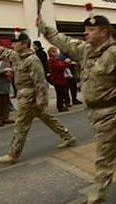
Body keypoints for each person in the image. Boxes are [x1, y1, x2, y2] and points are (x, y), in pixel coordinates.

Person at [37, 14, 116, 204]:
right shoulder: (85, 50)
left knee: (104, 159)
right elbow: (62, 41)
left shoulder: (115, 54)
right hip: (94, 113)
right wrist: (44, 28)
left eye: (91, 30)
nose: (86, 33)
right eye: (86, 30)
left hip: (111, 113)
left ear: (103, 32)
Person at [0, 33, 76, 164]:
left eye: (16, 42)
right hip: (24, 96)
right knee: (48, 118)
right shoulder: (16, 56)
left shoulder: (32, 60)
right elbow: (3, 51)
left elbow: (40, 82)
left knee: (21, 125)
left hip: (30, 98)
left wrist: (42, 101)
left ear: (24, 44)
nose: (13, 44)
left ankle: (13, 154)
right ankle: (68, 136)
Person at [48, 47, 71, 112]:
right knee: (59, 94)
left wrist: (66, 64)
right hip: (57, 79)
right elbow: (58, 67)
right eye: (55, 52)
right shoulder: (51, 60)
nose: (57, 53)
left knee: (63, 93)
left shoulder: (56, 59)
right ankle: (60, 106)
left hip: (61, 78)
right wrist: (66, 63)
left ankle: (63, 104)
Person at [0, 53, 14, 126]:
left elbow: (10, 72)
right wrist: (4, 71)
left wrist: (9, 72)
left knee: (6, 102)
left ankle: (5, 118)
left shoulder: (6, 63)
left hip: (5, 85)